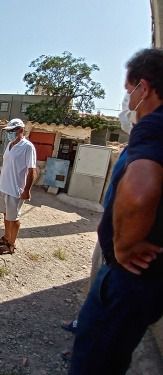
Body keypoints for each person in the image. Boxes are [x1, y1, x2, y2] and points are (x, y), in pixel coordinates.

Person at [69, 48, 163, 375]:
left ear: (144, 88)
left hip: (129, 278)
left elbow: (139, 193)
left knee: (94, 361)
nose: (127, 99)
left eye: (128, 91)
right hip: (150, 282)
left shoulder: (154, 128)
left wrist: (122, 247)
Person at [62, 95, 134, 335]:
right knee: (98, 284)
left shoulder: (147, 153)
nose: (127, 101)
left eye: (133, 93)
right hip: (109, 238)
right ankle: (87, 326)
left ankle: (93, 335)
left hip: (120, 244)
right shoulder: (133, 148)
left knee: (108, 291)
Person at [0, 118, 36, 254]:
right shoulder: (9, 144)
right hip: (3, 187)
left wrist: (27, 190)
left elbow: (32, 170)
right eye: (8, 131)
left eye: (12, 131)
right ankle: (6, 237)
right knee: (6, 215)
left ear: (21, 130)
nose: (9, 133)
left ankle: (11, 245)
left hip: (16, 190)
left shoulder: (27, 147)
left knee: (14, 218)